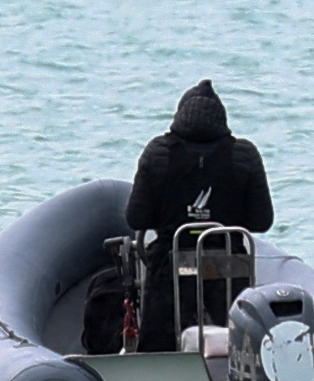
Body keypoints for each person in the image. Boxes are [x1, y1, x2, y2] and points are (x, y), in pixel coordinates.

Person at [92, 78, 275, 350]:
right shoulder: (245, 155)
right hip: (227, 264)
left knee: (157, 343)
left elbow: (137, 218)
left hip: (171, 264)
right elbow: (262, 221)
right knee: (241, 337)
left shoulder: (157, 153)